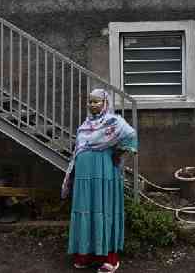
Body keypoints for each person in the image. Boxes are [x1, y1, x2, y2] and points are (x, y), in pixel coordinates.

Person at [62, 88, 138, 272]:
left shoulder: (114, 122)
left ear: (106, 103)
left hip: (105, 173)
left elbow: (131, 136)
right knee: (85, 209)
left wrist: (119, 153)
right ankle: (85, 254)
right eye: (90, 101)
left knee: (104, 209)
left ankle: (110, 258)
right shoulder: (85, 125)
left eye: (97, 101)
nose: (93, 104)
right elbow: (79, 148)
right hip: (84, 176)